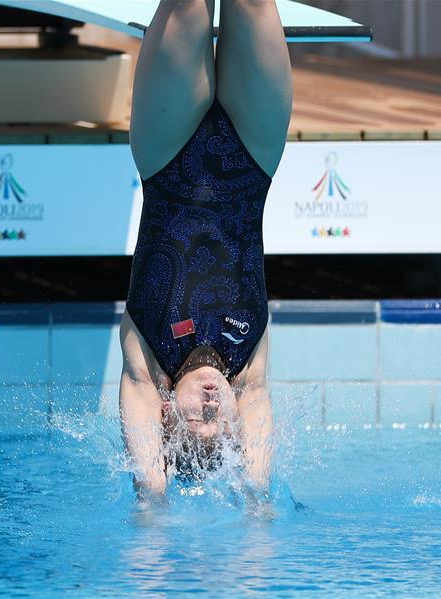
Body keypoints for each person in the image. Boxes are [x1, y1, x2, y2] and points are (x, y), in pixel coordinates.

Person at [119, 0, 293, 499]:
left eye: (198, 419)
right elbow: (257, 447)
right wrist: (256, 497)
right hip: (252, 154)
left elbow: (149, 481)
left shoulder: (149, 357)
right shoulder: (248, 367)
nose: (212, 404)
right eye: (221, 419)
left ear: (167, 410)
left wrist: (152, 493)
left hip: (166, 155)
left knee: (188, 4)